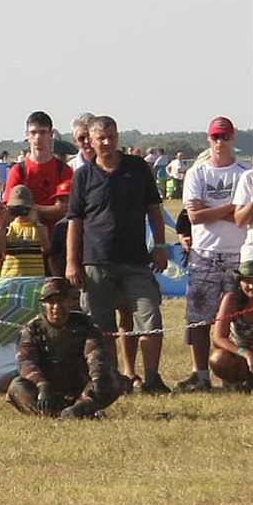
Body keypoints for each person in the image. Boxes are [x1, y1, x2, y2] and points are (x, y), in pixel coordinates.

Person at [67, 115, 169, 393]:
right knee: (102, 329)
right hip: (95, 261)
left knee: (150, 319)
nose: (108, 143)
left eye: (112, 136)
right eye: (102, 138)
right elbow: (74, 221)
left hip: (136, 260)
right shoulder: (83, 175)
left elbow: (154, 209)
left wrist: (160, 247)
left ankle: (151, 380)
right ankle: (111, 381)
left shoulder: (137, 167)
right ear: (91, 140)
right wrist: (72, 262)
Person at [179, 117, 249, 392]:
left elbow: (244, 218)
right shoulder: (197, 173)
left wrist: (213, 208)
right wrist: (230, 207)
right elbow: (194, 216)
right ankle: (201, 374)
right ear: (208, 139)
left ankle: (232, 374)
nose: (220, 143)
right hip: (204, 254)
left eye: (225, 137)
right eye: (215, 137)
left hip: (237, 255)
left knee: (237, 318)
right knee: (198, 318)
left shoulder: (245, 173)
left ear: (233, 139)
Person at [7, 277, 119, 418]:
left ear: (71, 301)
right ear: (44, 304)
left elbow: (95, 355)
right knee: (16, 386)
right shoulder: (32, 330)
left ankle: (80, 408)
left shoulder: (85, 326)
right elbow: (26, 362)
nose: (57, 306)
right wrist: (42, 385)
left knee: (111, 378)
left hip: (81, 389)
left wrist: (96, 380)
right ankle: (51, 413)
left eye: (62, 300)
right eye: (51, 302)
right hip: (46, 392)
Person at [2, 112, 72, 233]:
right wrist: (47, 210)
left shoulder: (63, 170)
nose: (38, 137)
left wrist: (29, 208)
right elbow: (10, 209)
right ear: (27, 135)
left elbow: (63, 211)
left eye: (43, 132)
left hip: (56, 239)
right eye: (33, 133)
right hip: (24, 241)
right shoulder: (18, 171)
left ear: (50, 134)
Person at [208, 261, 253, 390]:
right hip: (240, 355)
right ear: (239, 282)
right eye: (247, 281)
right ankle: (238, 382)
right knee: (218, 358)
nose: (251, 286)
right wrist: (245, 353)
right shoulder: (232, 299)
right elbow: (219, 338)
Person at [0, 185, 49, 278]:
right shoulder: (8, 228)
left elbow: (46, 248)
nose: (21, 212)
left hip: (35, 277)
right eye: (16, 208)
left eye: (24, 208)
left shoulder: (39, 228)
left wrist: (37, 222)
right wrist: (3, 224)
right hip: (11, 276)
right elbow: (0, 250)